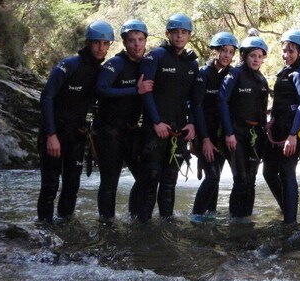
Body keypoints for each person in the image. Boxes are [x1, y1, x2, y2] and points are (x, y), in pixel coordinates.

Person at [37, 20, 113, 222]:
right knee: (50, 183)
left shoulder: (102, 72)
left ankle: (66, 226)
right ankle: (43, 227)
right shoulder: (69, 65)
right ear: (88, 42)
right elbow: (47, 97)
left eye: (106, 44)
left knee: (72, 183)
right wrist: (51, 135)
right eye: (97, 42)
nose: (101, 48)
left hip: (77, 134)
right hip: (55, 132)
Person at [138, 13, 198, 221]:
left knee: (170, 181)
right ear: (168, 34)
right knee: (150, 179)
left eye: (184, 33)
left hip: (178, 130)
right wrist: (156, 122)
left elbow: (192, 100)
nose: (179, 36)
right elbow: (146, 93)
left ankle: (167, 224)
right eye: (175, 32)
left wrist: (191, 123)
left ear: (189, 35)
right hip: (155, 130)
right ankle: (143, 225)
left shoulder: (191, 64)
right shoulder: (156, 57)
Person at [94, 19, 154, 222]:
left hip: (130, 131)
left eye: (140, 40)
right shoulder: (116, 63)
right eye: (131, 40)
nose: (136, 44)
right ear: (124, 43)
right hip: (108, 131)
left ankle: (134, 217)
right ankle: (107, 223)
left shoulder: (147, 65)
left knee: (145, 176)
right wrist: (134, 90)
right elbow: (100, 89)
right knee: (110, 181)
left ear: (146, 41)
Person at [263, 29, 300, 224]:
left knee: (287, 171)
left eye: (291, 51)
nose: (286, 55)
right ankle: (286, 209)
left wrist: (293, 135)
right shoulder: (286, 72)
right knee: (268, 172)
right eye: (284, 51)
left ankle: (290, 220)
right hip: (279, 129)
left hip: (292, 132)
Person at [190, 32, 239, 222]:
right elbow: (196, 107)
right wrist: (204, 140)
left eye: (230, 52)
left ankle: (209, 215)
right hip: (206, 134)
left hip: (222, 134)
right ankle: (196, 215)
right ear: (215, 52)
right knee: (211, 176)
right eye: (223, 51)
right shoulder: (204, 74)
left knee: (216, 177)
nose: (227, 55)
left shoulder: (231, 74)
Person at [220, 35, 269, 221]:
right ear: (244, 56)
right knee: (240, 180)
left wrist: (264, 135)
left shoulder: (262, 80)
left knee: (251, 180)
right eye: (252, 56)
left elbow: (263, 111)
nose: (256, 59)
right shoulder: (234, 74)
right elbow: (223, 102)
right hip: (236, 134)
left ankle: (246, 220)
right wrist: (229, 133)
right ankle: (235, 220)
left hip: (255, 136)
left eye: (259, 56)